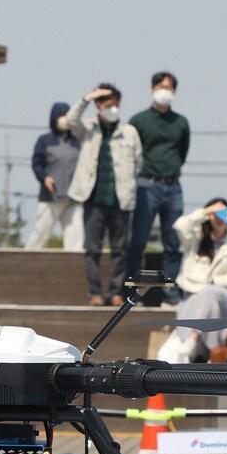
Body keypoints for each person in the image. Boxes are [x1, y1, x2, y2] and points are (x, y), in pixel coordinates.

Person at [155, 198, 227, 364]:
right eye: (215, 214)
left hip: (223, 298)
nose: (219, 217)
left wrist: (213, 281)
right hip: (193, 298)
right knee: (203, 298)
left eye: (223, 214)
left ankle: (192, 339)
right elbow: (179, 225)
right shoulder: (196, 237)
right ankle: (199, 345)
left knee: (209, 292)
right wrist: (204, 211)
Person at [64, 84, 142, 306]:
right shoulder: (88, 128)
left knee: (120, 249)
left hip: (121, 198)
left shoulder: (129, 132)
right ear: (98, 105)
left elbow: (138, 161)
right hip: (93, 198)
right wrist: (87, 98)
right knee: (92, 249)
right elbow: (70, 120)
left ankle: (116, 292)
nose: (111, 106)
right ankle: (94, 292)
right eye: (106, 102)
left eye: (114, 101)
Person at [125, 71, 190, 296]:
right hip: (146, 185)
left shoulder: (181, 122)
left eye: (170, 88)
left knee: (173, 242)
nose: (165, 91)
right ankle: (131, 291)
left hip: (173, 186)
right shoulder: (138, 120)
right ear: (152, 89)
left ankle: (170, 294)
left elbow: (182, 153)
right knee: (138, 240)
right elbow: (130, 152)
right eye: (162, 86)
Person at [25, 102, 82, 250]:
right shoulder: (44, 141)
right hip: (50, 197)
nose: (63, 119)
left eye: (66, 115)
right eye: (60, 115)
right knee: (40, 234)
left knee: (75, 239)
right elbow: (37, 163)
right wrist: (44, 177)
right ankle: (25, 265)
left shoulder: (78, 141)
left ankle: (74, 270)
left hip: (73, 198)